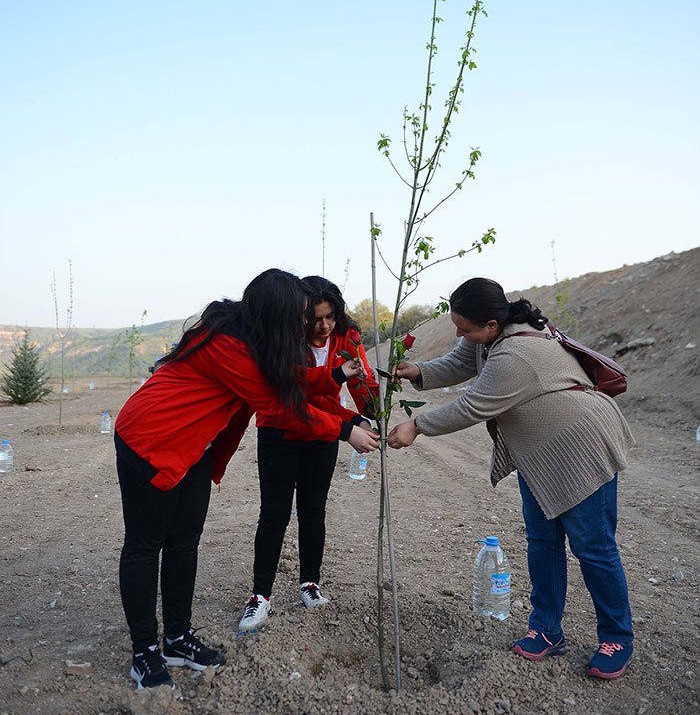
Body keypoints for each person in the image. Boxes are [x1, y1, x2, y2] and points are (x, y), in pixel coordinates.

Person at [115, 269, 379, 688]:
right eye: (298, 315)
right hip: (152, 437)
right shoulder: (229, 346)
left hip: (196, 444)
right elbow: (284, 403)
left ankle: (177, 639)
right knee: (146, 546)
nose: (305, 324)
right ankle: (145, 650)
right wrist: (346, 429)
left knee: (184, 542)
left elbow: (291, 380)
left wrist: (338, 381)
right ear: (277, 313)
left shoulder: (256, 339)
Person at [387, 276, 635, 680]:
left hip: (582, 449)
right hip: (539, 456)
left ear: (491, 325)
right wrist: (417, 370)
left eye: (464, 328)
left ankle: (616, 638)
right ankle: (547, 630)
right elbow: (460, 361)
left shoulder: (516, 353)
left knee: (593, 548)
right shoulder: (488, 338)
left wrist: (417, 425)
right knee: (542, 543)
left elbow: (474, 404)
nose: (458, 333)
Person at [238, 275, 380, 631]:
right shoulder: (283, 339)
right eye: (314, 318)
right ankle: (260, 596)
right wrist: (348, 425)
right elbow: (294, 396)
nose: (323, 325)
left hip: (324, 433)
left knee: (313, 511)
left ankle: (310, 584)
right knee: (273, 515)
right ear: (299, 315)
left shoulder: (346, 337)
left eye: (330, 316)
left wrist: (375, 408)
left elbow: (362, 387)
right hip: (280, 431)